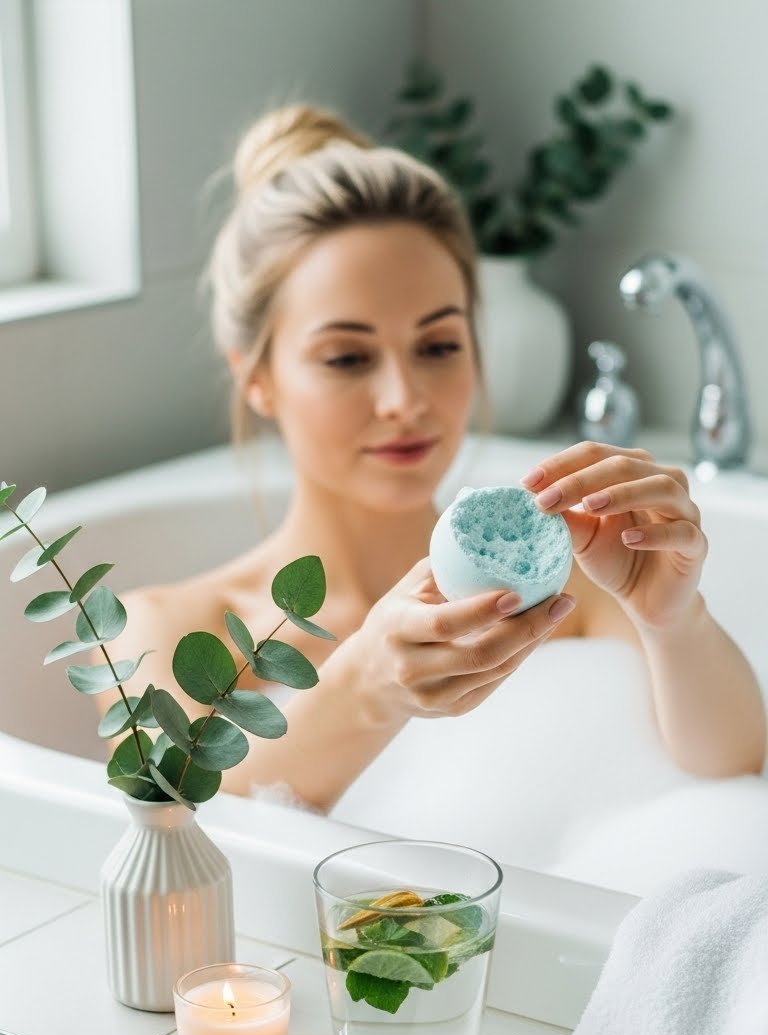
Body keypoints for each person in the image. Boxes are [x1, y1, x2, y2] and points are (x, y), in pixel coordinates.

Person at [102, 103, 766, 827]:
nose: (405, 399)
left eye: (438, 346)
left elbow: (730, 771)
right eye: (347, 357)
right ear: (255, 377)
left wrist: (675, 619)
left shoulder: (568, 583)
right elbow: (171, 838)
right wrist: (365, 687)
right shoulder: (163, 633)